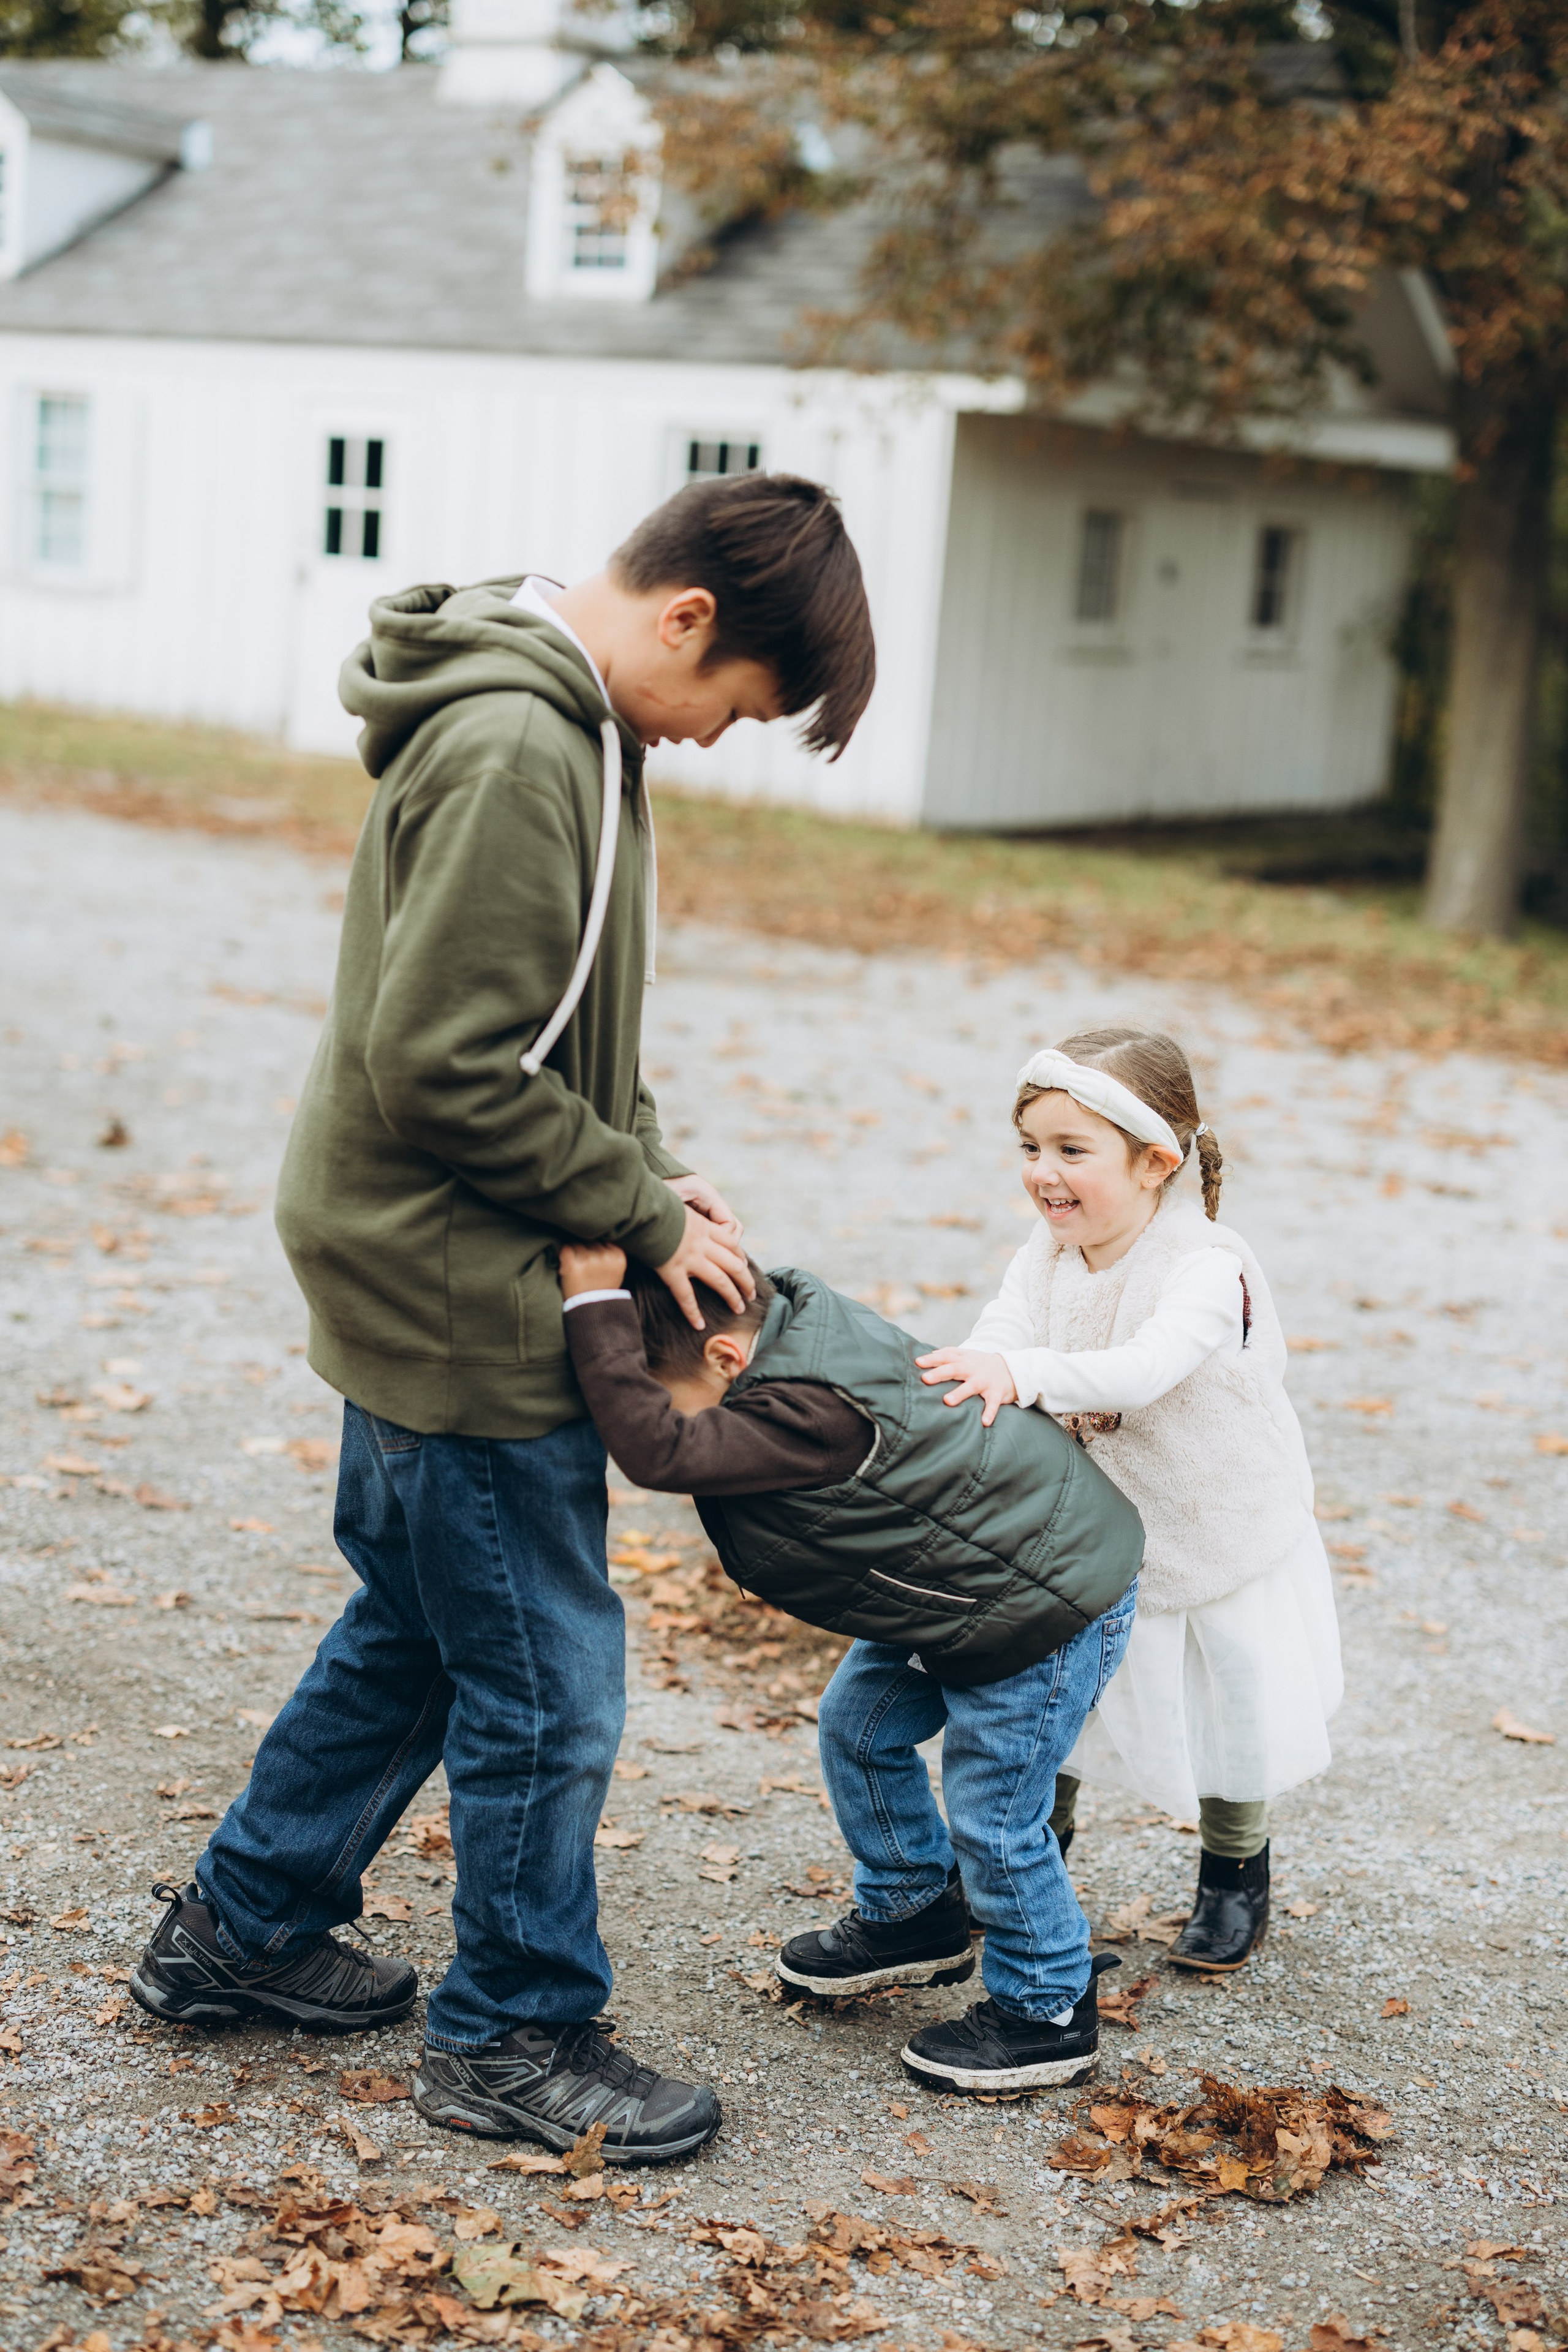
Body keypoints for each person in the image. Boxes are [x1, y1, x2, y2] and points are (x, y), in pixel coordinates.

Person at [128, 473, 876, 2167]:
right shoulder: (524, 747)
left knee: (418, 1623)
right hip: (463, 1279)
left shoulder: (575, 726)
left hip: (435, 1247)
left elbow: (565, 1030)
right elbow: (448, 1065)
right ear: (687, 619)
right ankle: (513, 2031)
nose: (713, 739)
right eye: (736, 707)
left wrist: (661, 1179)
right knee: (545, 1682)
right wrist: (625, 1210)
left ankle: (244, 1926)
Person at [555, 1238, 1144, 2096]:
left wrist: (592, 1310)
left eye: (671, 1398)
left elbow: (661, 1454)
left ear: (727, 1358)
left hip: (1044, 1605)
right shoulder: (786, 1329)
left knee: (996, 1813)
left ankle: (1047, 2009)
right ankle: (914, 1909)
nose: (672, 1416)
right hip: (965, 1586)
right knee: (859, 1728)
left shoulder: (808, 1408)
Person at [916, 1027, 1343, 1973]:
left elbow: (1144, 1369)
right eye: (1031, 1148)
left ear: (1155, 1162)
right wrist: (983, 1366)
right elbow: (1007, 1324)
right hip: (1090, 1534)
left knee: (1229, 1700)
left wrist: (1020, 1372)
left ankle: (1234, 1872)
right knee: (1055, 1695)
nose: (1044, 1174)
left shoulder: (1206, 1265)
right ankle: (1022, 1861)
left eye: (1073, 1151)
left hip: (1213, 1525)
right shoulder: (1049, 1247)